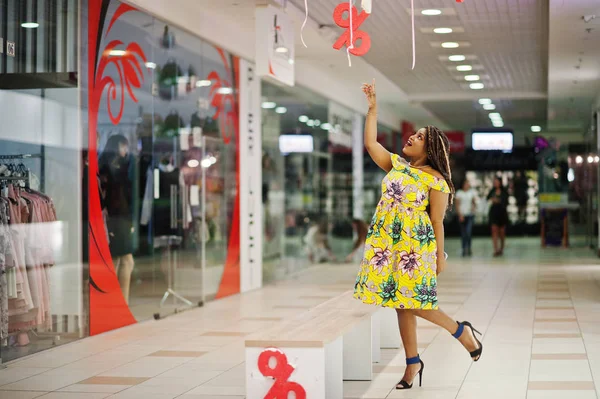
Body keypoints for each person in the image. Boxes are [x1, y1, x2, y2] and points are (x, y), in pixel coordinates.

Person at [353, 79, 483, 391]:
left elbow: (437, 221)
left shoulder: (437, 181)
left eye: (420, 136)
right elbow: (371, 144)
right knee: (401, 303)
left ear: (431, 147)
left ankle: (460, 330)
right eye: (415, 133)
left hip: (414, 246)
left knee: (417, 302)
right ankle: (413, 364)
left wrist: (440, 256)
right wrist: (373, 110)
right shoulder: (396, 165)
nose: (412, 137)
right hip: (388, 240)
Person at [99, 135, 135, 304]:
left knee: (121, 259)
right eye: (123, 147)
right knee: (124, 260)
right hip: (117, 217)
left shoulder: (107, 166)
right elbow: (116, 196)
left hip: (118, 217)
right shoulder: (115, 167)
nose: (125, 151)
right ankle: (121, 302)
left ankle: (118, 301)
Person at [487, 176, 509, 257]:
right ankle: (496, 249)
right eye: (494, 182)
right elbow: (487, 198)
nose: (495, 183)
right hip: (493, 213)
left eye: (497, 181)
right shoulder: (492, 191)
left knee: (502, 233)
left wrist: (498, 200)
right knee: (494, 231)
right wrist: (493, 200)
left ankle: (501, 248)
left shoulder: (504, 191)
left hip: (502, 213)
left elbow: (506, 201)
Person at [455, 179, 477, 257]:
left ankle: (469, 247)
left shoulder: (471, 193)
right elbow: (457, 205)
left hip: (469, 215)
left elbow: (474, 203)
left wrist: (473, 209)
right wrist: (460, 215)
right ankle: (464, 248)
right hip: (462, 215)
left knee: (469, 232)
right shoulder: (459, 193)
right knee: (463, 233)